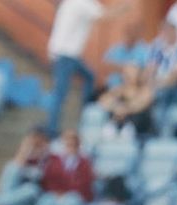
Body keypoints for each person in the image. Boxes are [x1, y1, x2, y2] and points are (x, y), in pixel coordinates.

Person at [46, 0, 121, 137]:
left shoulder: (71, 3)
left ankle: (83, 113)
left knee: (89, 77)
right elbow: (105, 16)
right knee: (60, 93)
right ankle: (52, 129)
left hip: (62, 53)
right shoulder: (82, 3)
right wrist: (125, 7)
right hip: (67, 54)